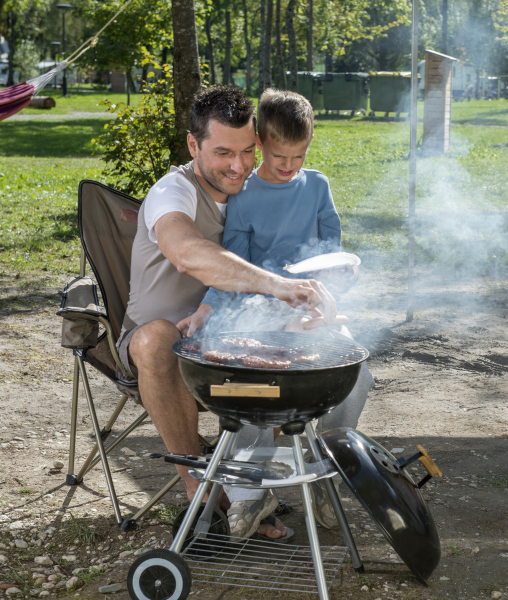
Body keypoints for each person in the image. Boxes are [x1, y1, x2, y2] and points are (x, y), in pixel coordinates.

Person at [117, 87, 340, 537]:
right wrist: (275, 285)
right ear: (194, 146)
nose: (237, 166)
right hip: (160, 349)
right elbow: (186, 252)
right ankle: (204, 496)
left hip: (233, 341)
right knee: (158, 337)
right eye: (222, 152)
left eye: (245, 151)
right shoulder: (172, 192)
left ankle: (255, 490)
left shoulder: (250, 196)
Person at [179, 89, 374, 540]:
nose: (289, 166)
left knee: (356, 373)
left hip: (313, 301)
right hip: (261, 304)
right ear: (261, 144)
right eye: (280, 155)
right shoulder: (245, 198)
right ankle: (250, 493)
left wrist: (345, 272)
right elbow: (233, 268)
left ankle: (324, 470)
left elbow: (332, 251)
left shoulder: (318, 186)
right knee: (256, 382)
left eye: (299, 156)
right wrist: (208, 307)